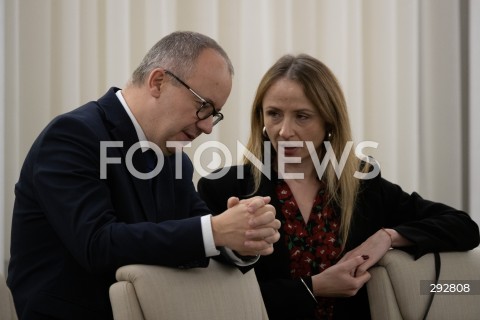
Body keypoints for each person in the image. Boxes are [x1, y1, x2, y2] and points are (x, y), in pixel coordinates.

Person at [7, 31, 280, 320]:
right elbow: (97, 244)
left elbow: (197, 233)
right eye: (204, 107)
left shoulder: (176, 161)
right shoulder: (72, 136)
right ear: (158, 82)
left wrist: (244, 237)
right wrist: (216, 230)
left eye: (215, 114)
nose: (208, 127)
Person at [197, 53, 480, 320]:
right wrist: (313, 287)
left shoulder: (362, 184)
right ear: (260, 117)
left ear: (329, 120)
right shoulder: (223, 188)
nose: (284, 131)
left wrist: (387, 237)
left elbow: (463, 227)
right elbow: (217, 299)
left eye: (302, 116)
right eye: (274, 114)